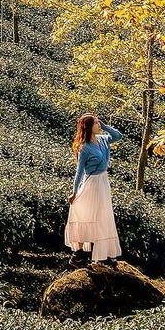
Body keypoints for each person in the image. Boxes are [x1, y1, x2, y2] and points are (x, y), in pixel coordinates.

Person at [64, 113, 123, 268]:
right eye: (96, 123)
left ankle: (107, 254)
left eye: (98, 123)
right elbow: (79, 172)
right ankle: (77, 255)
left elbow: (118, 136)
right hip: (92, 184)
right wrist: (75, 192)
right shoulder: (84, 148)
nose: (98, 125)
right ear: (89, 127)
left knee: (105, 216)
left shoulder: (104, 140)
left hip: (103, 182)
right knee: (88, 217)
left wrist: (104, 126)